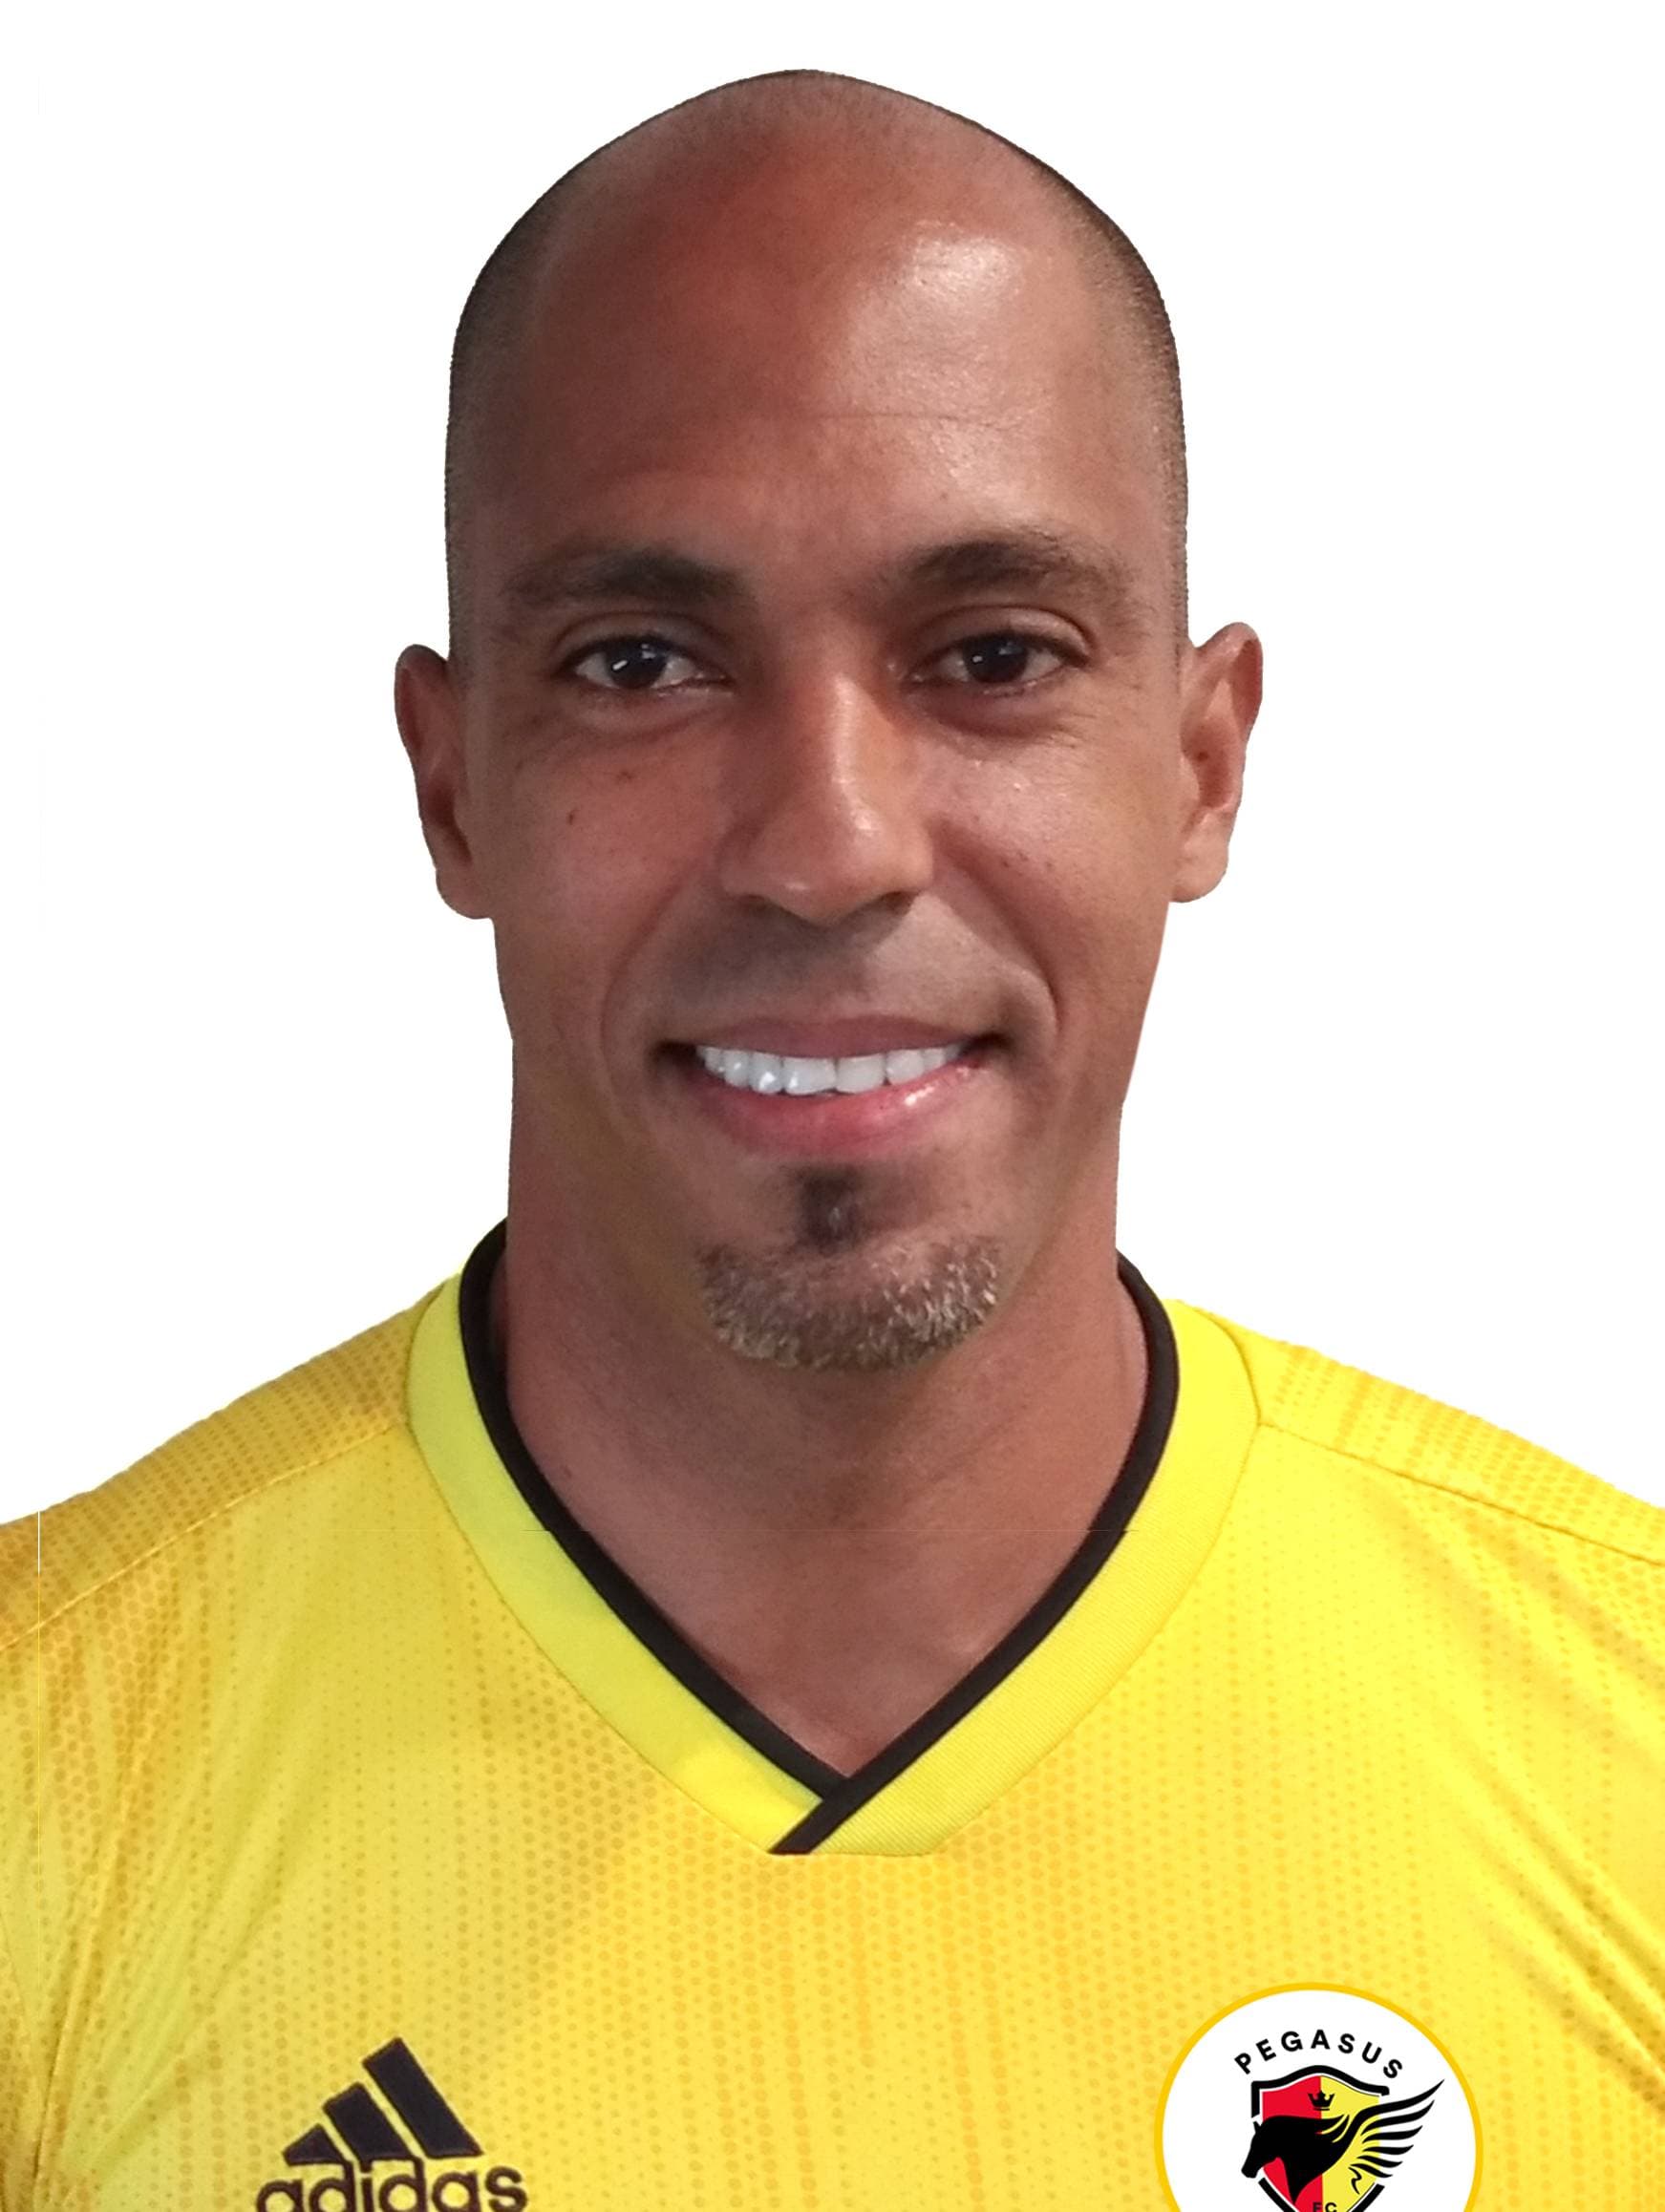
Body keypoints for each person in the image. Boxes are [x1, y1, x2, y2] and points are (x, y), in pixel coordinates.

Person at [2, 66, 1659, 2212]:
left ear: (1200, 764)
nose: (829, 843)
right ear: (452, 784)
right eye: (640, 663)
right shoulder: (52, 1767)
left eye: (991, 653)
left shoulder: (1622, 1749)